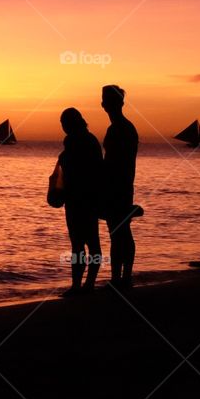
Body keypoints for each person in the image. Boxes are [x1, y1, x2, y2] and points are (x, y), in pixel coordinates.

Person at [56, 107, 103, 296]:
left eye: (64, 123)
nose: (63, 127)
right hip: (85, 198)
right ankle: (85, 284)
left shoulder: (77, 142)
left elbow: (80, 169)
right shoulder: (89, 140)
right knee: (88, 243)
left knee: (81, 244)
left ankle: (81, 285)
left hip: (80, 198)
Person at [101, 85, 138, 289]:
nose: (104, 103)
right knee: (120, 231)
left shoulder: (120, 128)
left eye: (107, 99)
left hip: (119, 187)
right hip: (120, 186)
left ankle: (121, 278)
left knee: (118, 232)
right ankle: (122, 277)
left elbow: (116, 162)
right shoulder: (121, 127)